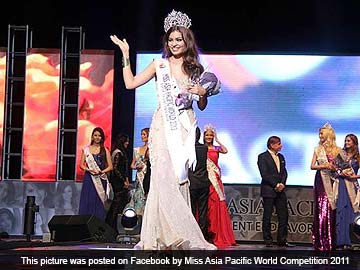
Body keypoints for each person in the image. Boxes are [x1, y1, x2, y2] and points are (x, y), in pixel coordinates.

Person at [110, 9, 220, 250]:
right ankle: (163, 235)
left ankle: (176, 233)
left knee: (180, 180)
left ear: (186, 40)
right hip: (163, 125)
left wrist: (201, 92)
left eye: (178, 39)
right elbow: (130, 84)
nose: (174, 43)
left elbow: (201, 105)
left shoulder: (195, 68)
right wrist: (125, 54)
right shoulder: (158, 64)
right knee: (161, 177)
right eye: (170, 40)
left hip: (184, 127)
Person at [257, 135, 294, 248]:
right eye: (279, 143)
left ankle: (282, 240)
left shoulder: (281, 157)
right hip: (269, 190)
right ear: (272, 145)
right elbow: (264, 174)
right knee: (267, 215)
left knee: (283, 215)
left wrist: (282, 184)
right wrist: (276, 184)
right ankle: (268, 240)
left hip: (280, 191)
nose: (281, 145)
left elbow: (284, 172)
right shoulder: (262, 157)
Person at [310, 123, 342, 251]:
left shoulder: (338, 150)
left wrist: (334, 167)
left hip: (333, 180)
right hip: (321, 180)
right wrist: (324, 166)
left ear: (328, 135)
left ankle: (332, 240)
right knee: (322, 206)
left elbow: (342, 167)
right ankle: (322, 241)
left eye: (322, 133)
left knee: (332, 206)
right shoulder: (317, 150)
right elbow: (312, 166)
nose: (320, 135)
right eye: (319, 133)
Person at [203, 124, 236, 248]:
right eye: (207, 135)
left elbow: (225, 150)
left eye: (211, 135)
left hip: (215, 181)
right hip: (206, 180)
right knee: (206, 207)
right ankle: (207, 233)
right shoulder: (201, 148)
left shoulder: (217, 148)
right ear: (203, 136)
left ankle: (218, 233)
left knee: (217, 204)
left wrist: (217, 139)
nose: (209, 137)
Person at [78, 127, 113, 222]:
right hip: (89, 178)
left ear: (102, 138)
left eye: (99, 136)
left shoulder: (105, 150)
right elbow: (81, 165)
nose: (97, 137)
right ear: (92, 137)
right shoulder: (86, 150)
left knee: (99, 202)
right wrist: (89, 170)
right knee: (88, 200)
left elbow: (110, 167)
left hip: (100, 179)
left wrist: (101, 172)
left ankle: (98, 224)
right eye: (95, 135)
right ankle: (85, 224)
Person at [336, 134, 360, 250]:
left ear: (354, 143)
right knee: (342, 210)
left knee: (352, 211)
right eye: (345, 140)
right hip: (341, 185)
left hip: (352, 186)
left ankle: (351, 240)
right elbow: (333, 170)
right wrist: (341, 173)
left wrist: (355, 176)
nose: (346, 142)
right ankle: (341, 240)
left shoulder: (357, 157)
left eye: (349, 140)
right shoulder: (340, 155)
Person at [188, 126, 210, 240]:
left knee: (191, 210)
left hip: (191, 183)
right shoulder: (204, 148)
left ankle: (192, 234)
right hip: (203, 182)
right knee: (202, 211)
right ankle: (202, 235)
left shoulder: (187, 148)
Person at [106, 133, 130, 232]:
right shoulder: (117, 153)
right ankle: (111, 227)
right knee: (116, 206)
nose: (128, 143)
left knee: (119, 206)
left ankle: (115, 227)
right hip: (118, 183)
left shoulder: (119, 152)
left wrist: (127, 179)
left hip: (121, 182)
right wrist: (123, 180)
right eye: (126, 141)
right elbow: (115, 169)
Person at [127, 128, 150, 216]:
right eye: (141, 134)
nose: (142, 136)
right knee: (137, 197)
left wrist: (144, 166)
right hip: (138, 179)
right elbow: (132, 165)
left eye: (144, 134)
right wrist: (136, 167)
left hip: (147, 177)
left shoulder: (152, 149)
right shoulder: (137, 150)